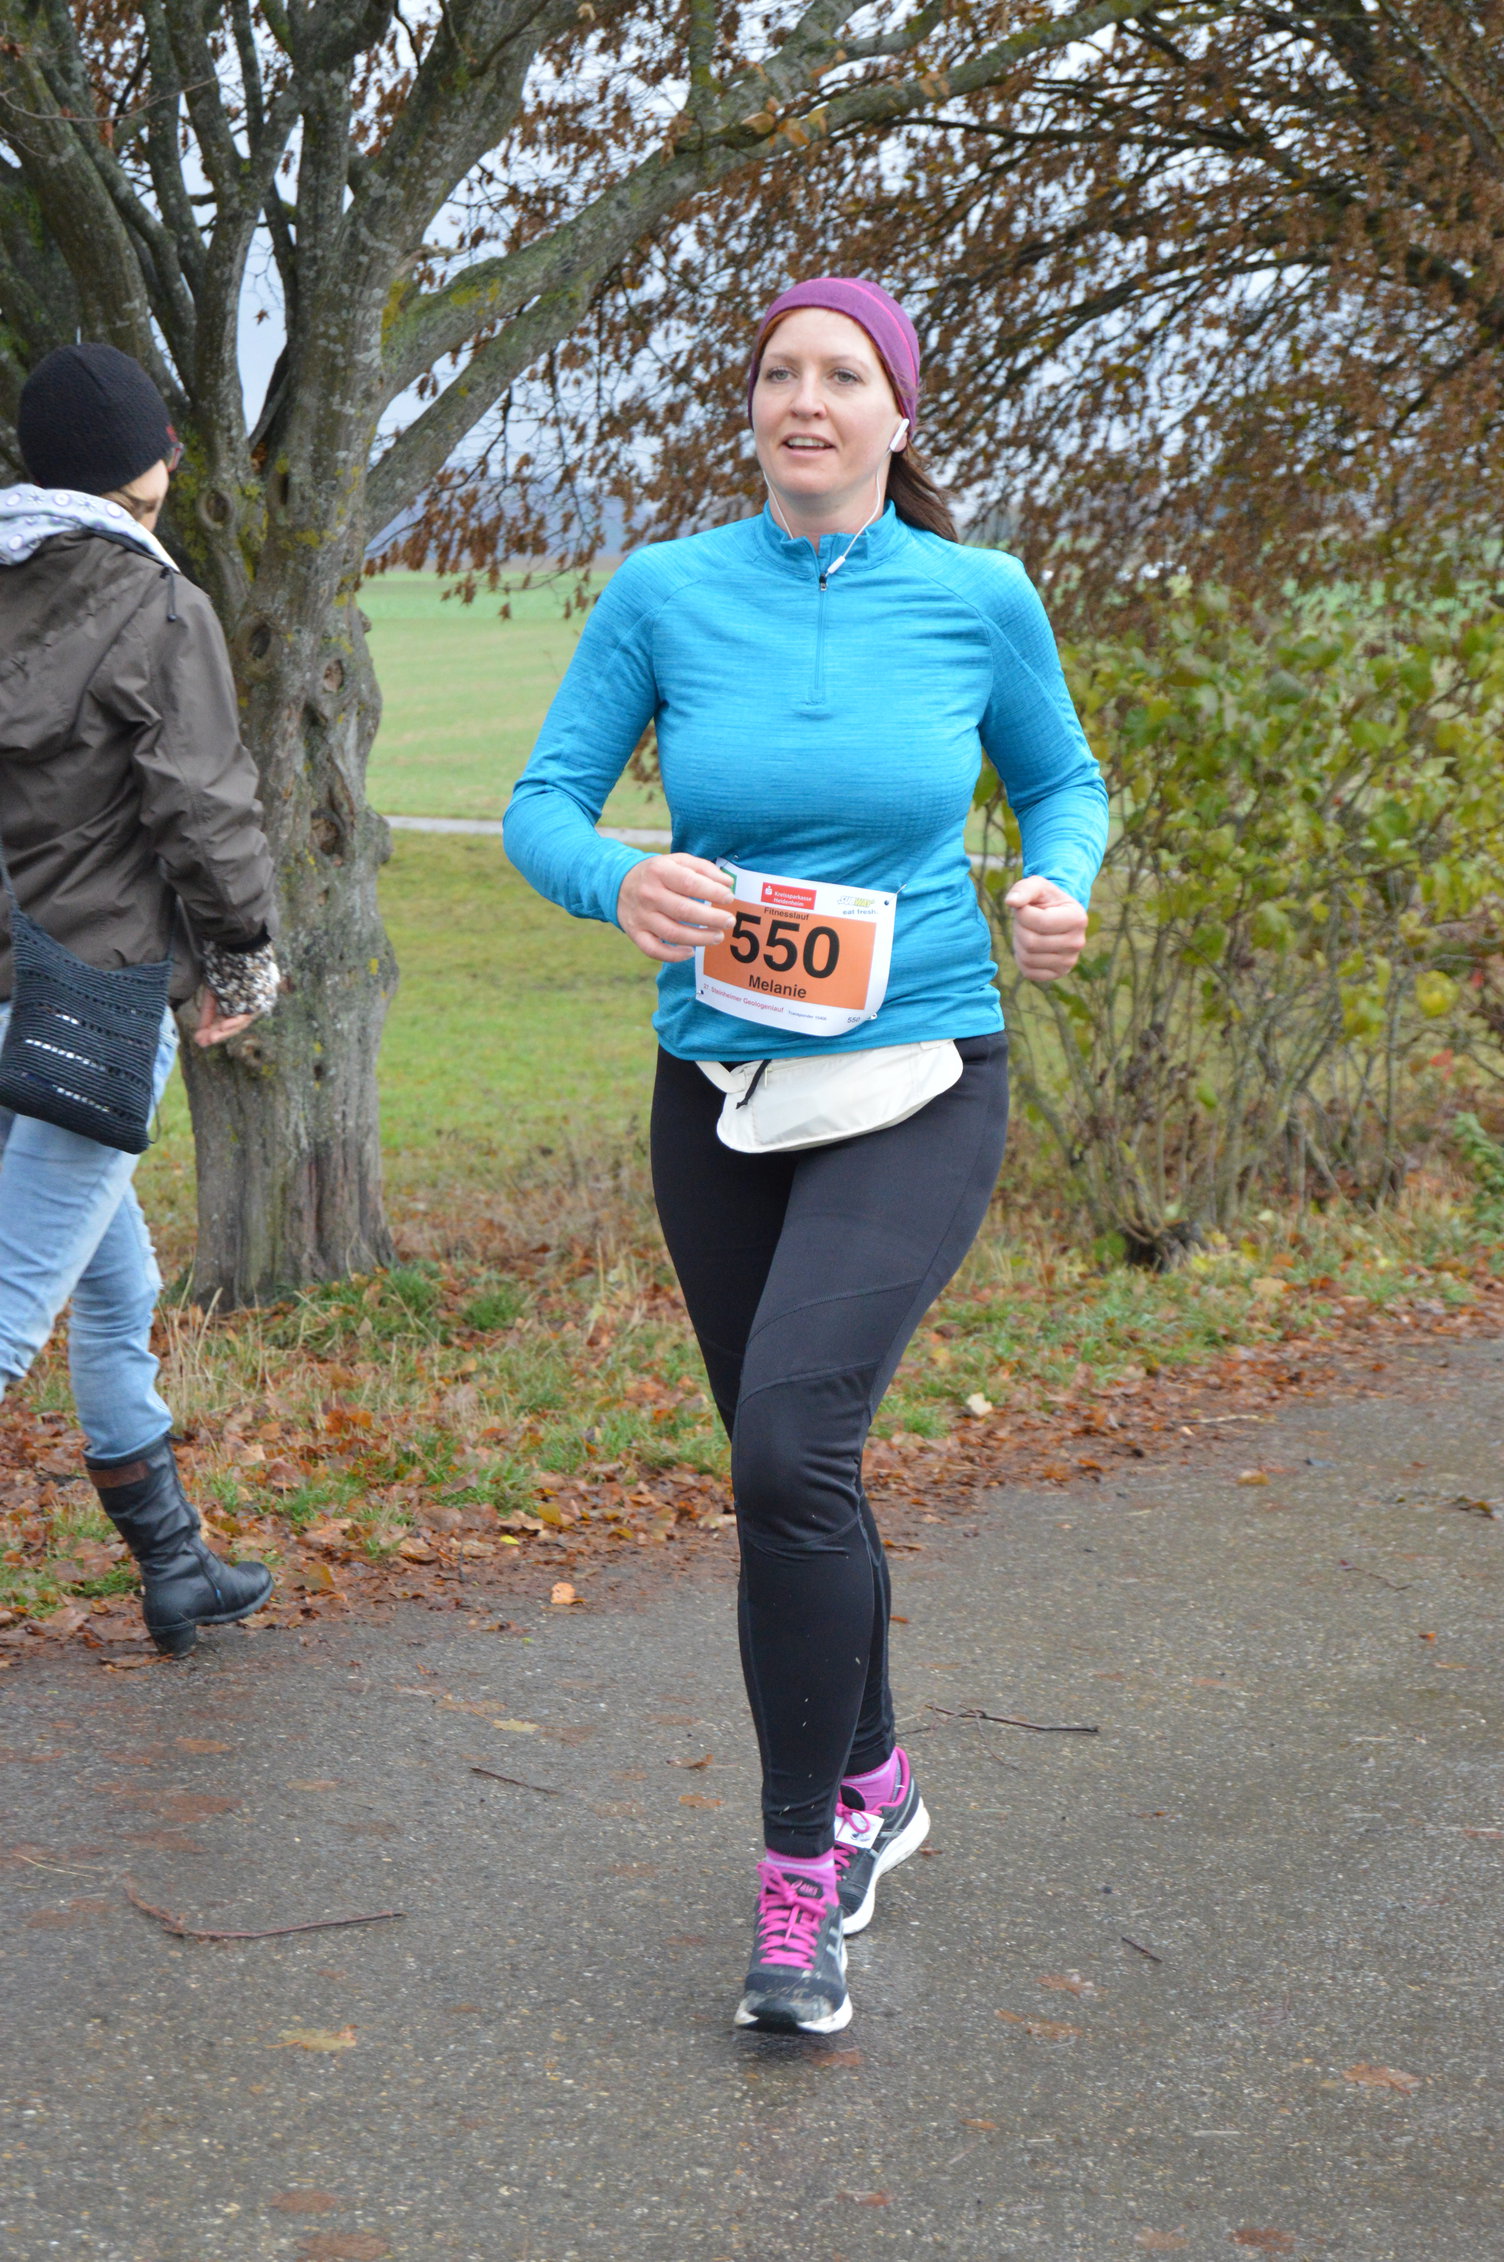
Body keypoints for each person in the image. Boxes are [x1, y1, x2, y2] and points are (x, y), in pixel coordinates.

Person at [504, 276, 1108, 2032]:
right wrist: (617, 878)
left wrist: (1058, 882)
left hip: (920, 1072)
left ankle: (798, 1886)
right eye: (780, 371)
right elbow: (545, 803)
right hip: (721, 1090)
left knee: (787, 1444)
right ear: (754, 408)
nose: (808, 398)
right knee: (795, 1475)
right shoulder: (667, 591)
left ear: (899, 416)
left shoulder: (977, 597)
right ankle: (878, 1775)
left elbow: (1063, 783)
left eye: (845, 374)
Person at [0, 342, 281, 1657]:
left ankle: (174, 1563)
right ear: (151, 464)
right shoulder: (158, 605)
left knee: (120, 1283)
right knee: (10, 1306)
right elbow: (205, 810)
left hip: (9, 995)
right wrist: (244, 961)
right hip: (95, 1004)